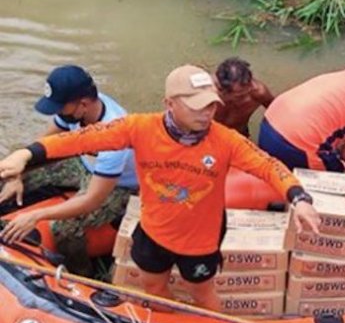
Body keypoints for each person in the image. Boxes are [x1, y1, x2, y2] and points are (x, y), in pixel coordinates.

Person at [0, 65, 320, 310]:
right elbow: (80, 139)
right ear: (169, 103)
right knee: (153, 287)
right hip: (153, 232)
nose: (207, 113)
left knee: (202, 291)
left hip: (201, 240)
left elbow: (268, 165)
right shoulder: (139, 128)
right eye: (197, 106)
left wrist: (298, 196)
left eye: (210, 105)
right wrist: (26, 154)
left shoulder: (226, 140)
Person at [0, 65, 137, 277]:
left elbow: (92, 199)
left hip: (117, 185)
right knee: (5, 175)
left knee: (64, 229)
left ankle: (82, 276)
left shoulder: (116, 134)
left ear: (83, 104)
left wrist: (36, 216)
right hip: (83, 163)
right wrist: (17, 173)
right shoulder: (74, 111)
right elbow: (45, 145)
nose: (57, 113)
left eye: (60, 108)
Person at [213, 57, 275, 137]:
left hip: (239, 134)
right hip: (210, 134)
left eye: (242, 93)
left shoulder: (258, 93)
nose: (242, 96)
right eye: (237, 94)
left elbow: (276, 112)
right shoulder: (207, 90)